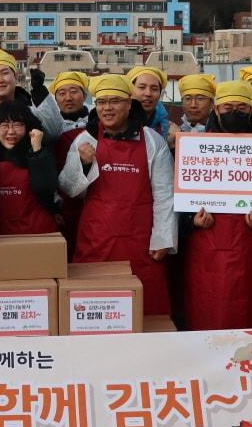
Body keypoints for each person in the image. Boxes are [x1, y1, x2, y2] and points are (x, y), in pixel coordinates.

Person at [59, 74, 174, 315]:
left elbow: (164, 194)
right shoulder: (85, 139)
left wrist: (163, 238)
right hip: (97, 239)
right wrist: (83, 163)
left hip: (141, 242)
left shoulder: (152, 141)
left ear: (129, 104)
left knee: (145, 311)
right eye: (101, 102)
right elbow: (69, 189)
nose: (107, 108)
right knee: (95, 307)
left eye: (115, 101)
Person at [178, 80, 252, 330]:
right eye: (228, 106)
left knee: (248, 312)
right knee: (203, 312)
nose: (234, 112)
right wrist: (192, 221)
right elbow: (180, 203)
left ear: (251, 110)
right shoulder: (194, 147)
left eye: (241, 107)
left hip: (249, 249)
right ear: (216, 110)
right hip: (204, 249)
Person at [0, 101, 57, 235]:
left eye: (18, 125)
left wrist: (37, 151)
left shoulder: (39, 152)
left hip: (38, 237)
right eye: (4, 125)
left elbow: (47, 188)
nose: (11, 131)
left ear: (28, 128)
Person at [0, 45, 63, 144]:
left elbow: (56, 132)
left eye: (5, 73)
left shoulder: (33, 113)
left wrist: (40, 91)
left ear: (15, 77)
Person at [48, 71, 91, 254]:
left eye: (74, 91)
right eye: (62, 93)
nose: (68, 98)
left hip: (92, 201)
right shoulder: (49, 127)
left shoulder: (97, 123)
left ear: (85, 95)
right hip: (62, 205)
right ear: (55, 98)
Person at [127, 65, 170, 140]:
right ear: (130, 91)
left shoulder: (166, 128)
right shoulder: (118, 124)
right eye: (142, 87)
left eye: (154, 89)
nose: (148, 93)